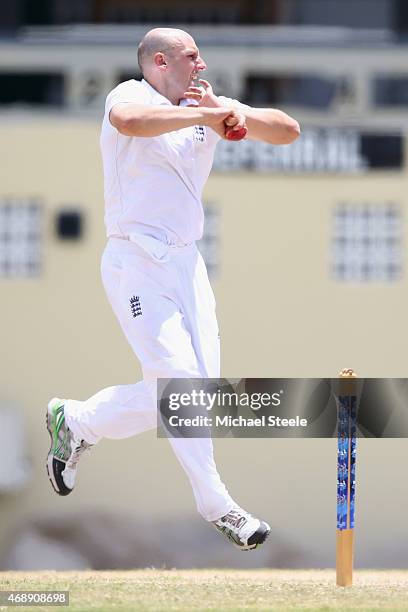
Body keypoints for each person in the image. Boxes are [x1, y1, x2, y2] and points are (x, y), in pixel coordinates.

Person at [46, 27, 300, 551]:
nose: (202, 65)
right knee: (178, 381)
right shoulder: (131, 93)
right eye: (191, 56)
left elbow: (289, 130)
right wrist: (206, 116)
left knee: (191, 396)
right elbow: (130, 123)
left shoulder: (206, 103)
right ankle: (217, 504)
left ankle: (77, 420)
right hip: (136, 259)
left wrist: (236, 116)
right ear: (160, 61)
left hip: (187, 264)